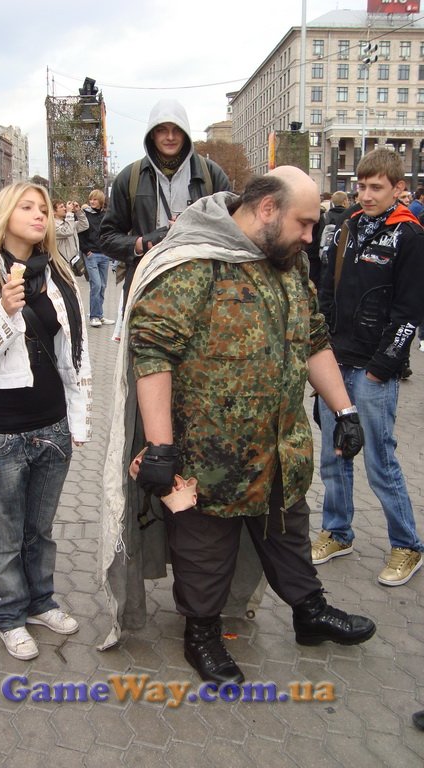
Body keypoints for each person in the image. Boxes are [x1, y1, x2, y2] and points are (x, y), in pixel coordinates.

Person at [99, 169, 376, 684]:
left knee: (288, 533)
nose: (310, 236)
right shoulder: (195, 261)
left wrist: (345, 411)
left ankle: (309, 613)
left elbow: (314, 338)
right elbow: (152, 352)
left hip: (279, 448)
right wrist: (160, 448)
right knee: (205, 549)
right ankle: (201, 632)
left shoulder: (288, 262)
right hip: (210, 458)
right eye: (304, 223)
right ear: (267, 209)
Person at [0, 182, 92, 661]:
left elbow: (76, 354)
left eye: (44, 208)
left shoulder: (59, 275)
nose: (40, 215)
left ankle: (41, 601)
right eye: (27, 206)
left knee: (41, 529)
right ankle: (9, 614)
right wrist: (4, 312)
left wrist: (78, 419)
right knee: (6, 534)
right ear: (4, 213)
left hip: (52, 424)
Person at [312, 148, 424, 586]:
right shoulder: (347, 226)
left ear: (398, 188)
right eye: (361, 186)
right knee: (333, 454)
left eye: (376, 186)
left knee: (380, 459)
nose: (367, 194)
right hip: (335, 362)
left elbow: (409, 312)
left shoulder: (410, 236)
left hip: (373, 369)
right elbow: (326, 290)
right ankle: (338, 532)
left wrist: (382, 367)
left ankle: (408, 546)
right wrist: (321, 345)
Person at [100, 98, 231, 305]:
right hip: (146, 293)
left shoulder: (211, 175)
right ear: (152, 133)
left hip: (202, 294)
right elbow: (106, 238)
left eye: (177, 130)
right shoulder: (129, 177)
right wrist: (144, 243)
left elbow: (233, 233)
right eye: (162, 130)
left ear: (185, 132)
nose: (170, 137)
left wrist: (195, 229)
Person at [78, 189, 113, 327]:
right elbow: (80, 234)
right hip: (91, 254)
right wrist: (86, 250)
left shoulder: (105, 215)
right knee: (96, 285)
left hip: (104, 254)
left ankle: (99, 315)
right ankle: (94, 316)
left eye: (95, 199)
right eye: (90, 199)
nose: (92, 202)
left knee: (103, 286)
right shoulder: (85, 214)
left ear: (101, 201)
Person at [52, 198, 89, 270]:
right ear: (53, 212)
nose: (65, 209)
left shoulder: (69, 223)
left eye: (64, 206)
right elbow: (68, 231)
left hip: (73, 261)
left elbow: (84, 225)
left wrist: (78, 212)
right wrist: (69, 213)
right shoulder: (52, 225)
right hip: (62, 264)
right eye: (61, 207)